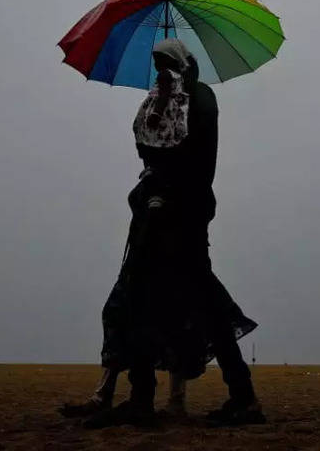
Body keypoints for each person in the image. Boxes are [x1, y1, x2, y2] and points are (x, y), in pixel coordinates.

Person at [83, 38, 264, 428]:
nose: (160, 66)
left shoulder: (198, 98)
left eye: (166, 60)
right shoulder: (158, 100)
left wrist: (167, 187)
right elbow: (147, 148)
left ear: (184, 62)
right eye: (156, 61)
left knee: (198, 300)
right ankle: (145, 398)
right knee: (146, 298)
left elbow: (194, 155)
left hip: (183, 211)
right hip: (157, 211)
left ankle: (236, 395)